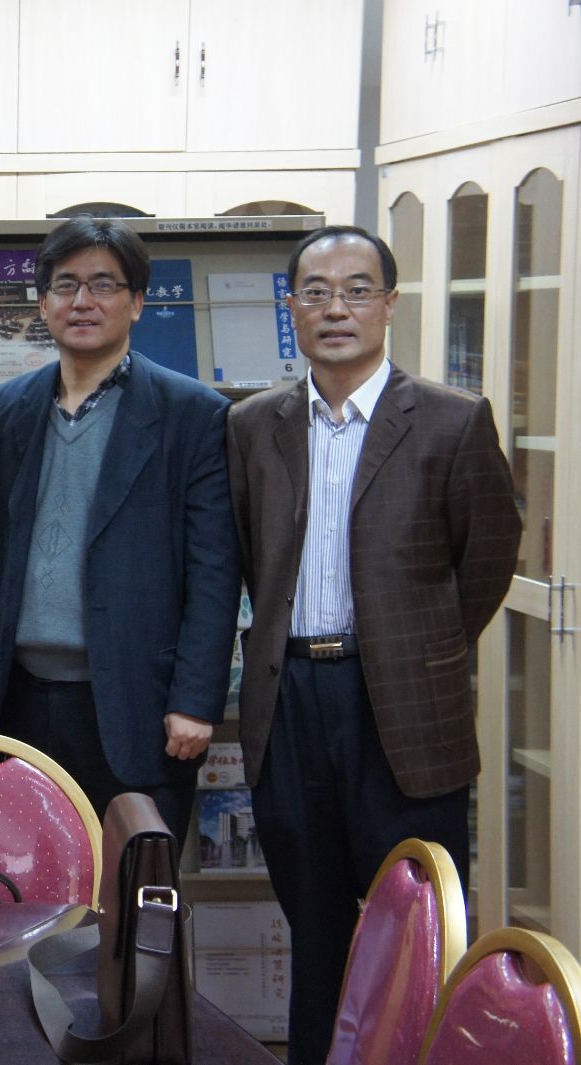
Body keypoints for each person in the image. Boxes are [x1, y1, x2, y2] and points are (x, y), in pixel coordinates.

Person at [227, 224, 521, 1064]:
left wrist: (417, 648)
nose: (337, 309)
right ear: (292, 308)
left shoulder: (452, 420)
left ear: (390, 304)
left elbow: (488, 557)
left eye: (357, 290)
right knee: (315, 928)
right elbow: (250, 551)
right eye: (316, 293)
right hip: (291, 706)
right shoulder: (252, 424)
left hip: (404, 711)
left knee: (418, 932)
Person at [0, 218, 240, 839]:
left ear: (138, 302)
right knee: (26, 881)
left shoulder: (192, 414)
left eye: (103, 285)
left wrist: (194, 699)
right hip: (18, 700)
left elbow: (214, 570)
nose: (83, 301)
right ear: (42, 302)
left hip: (135, 700)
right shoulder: (9, 407)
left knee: (134, 886)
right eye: (65, 285)